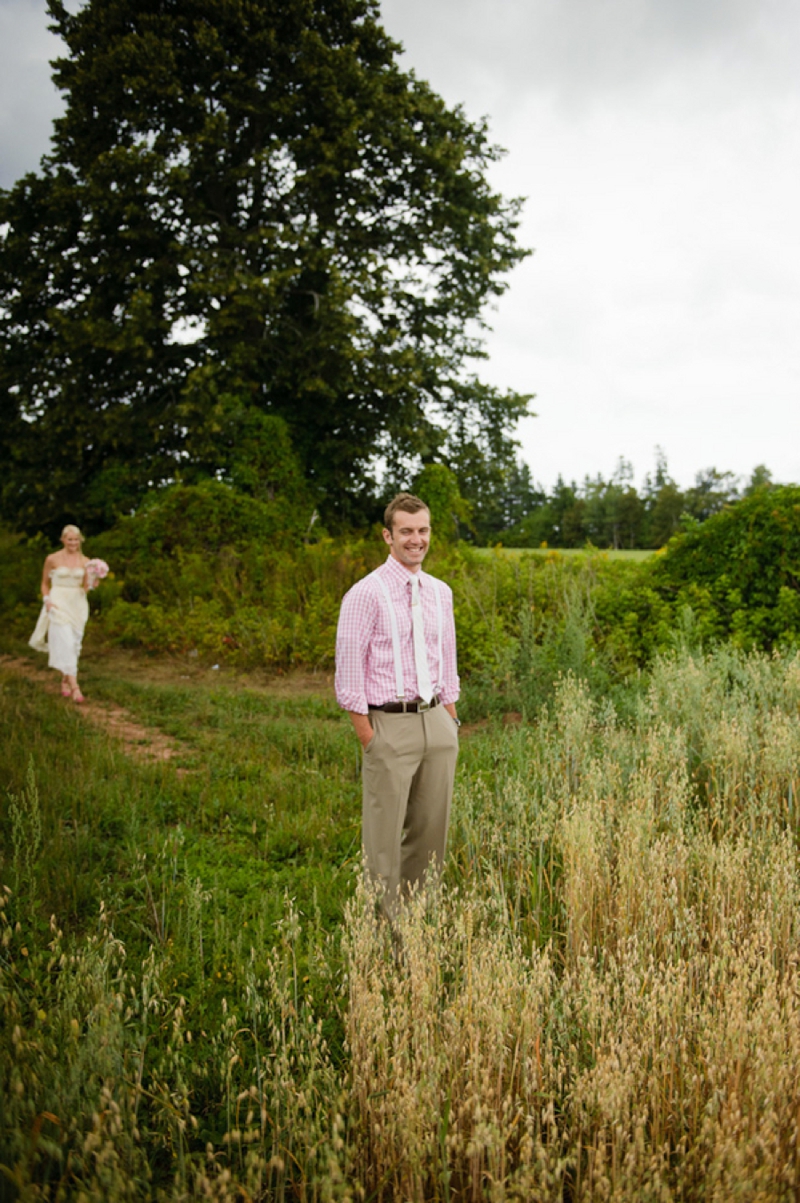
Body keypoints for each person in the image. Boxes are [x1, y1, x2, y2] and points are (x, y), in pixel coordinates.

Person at [335, 492, 460, 921]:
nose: (416, 539)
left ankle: (416, 923)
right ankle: (382, 935)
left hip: (437, 724)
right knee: (383, 840)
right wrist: (369, 737)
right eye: (406, 531)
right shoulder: (364, 594)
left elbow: (448, 656)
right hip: (389, 726)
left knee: (430, 834)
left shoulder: (441, 592)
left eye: (423, 530)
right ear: (388, 536)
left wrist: (451, 717)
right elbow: (349, 672)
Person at [29, 524, 92, 702]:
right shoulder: (52, 559)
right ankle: (75, 687)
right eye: (69, 539)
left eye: (76, 539)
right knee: (64, 642)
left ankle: (65, 680)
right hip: (58, 604)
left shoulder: (86, 561)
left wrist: (95, 580)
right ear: (63, 540)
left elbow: (86, 587)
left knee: (74, 645)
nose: (73, 543)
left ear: (80, 540)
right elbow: (44, 584)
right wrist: (47, 601)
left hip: (77, 605)